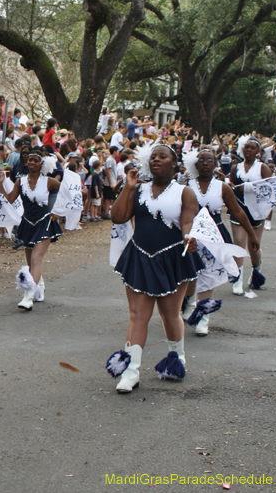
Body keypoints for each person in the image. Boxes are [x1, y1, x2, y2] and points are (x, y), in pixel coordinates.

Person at [106, 143, 202, 393]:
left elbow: (188, 221)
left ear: (175, 164)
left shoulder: (185, 193)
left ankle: (176, 358)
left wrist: (189, 238)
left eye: (163, 156)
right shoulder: (138, 189)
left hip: (172, 258)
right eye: (153, 157)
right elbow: (117, 217)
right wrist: (127, 187)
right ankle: (130, 371)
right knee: (138, 315)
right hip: (139, 256)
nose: (156, 160)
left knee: (170, 314)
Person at [183, 149, 259, 335]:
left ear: (216, 164)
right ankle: (190, 300)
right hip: (190, 234)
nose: (206, 164)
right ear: (196, 164)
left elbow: (238, 211)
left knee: (208, 276)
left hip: (215, 236)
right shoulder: (186, 185)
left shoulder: (222, 187)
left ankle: (203, 317)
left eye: (210, 160)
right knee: (191, 275)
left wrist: (252, 234)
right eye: (202, 160)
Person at [0, 148, 62, 310]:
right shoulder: (21, 181)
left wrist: (58, 212)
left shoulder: (49, 181)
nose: (31, 162)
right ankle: (40, 287)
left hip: (44, 222)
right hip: (27, 223)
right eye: (29, 159)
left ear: (41, 164)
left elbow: (68, 193)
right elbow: (10, 199)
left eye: (35, 160)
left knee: (36, 260)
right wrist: (0, 184)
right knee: (31, 262)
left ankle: (28, 297)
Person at [229, 136, 273, 296]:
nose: (248, 150)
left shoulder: (262, 168)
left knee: (254, 246)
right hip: (239, 207)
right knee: (238, 242)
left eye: (252, 147)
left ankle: (256, 270)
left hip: (256, 210)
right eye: (246, 147)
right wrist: (233, 187)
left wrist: (251, 189)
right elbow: (231, 186)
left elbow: (270, 190)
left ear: (258, 151)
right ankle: (238, 278)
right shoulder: (236, 167)